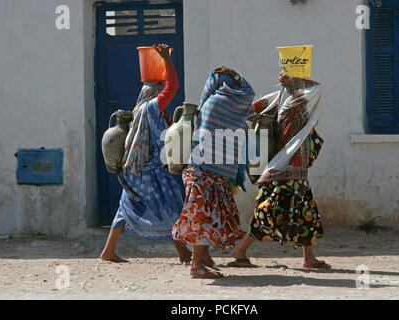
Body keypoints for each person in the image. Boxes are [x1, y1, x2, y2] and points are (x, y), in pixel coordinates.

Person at [100, 44, 191, 264]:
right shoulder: (151, 107)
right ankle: (183, 251)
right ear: (154, 92)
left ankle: (108, 251)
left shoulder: (138, 108)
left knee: (126, 208)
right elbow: (172, 86)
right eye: (159, 90)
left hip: (134, 170)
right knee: (173, 205)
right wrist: (167, 61)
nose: (163, 93)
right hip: (153, 171)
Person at [229, 71, 330, 269]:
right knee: (268, 212)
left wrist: (291, 82)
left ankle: (308, 258)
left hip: (295, 169)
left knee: (304, 210)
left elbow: (254, 109)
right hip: (282, 168)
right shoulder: (290, 102)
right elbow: (315, 89)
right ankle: (240, 250)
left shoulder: (283, 99)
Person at [172, 66, 255, 278]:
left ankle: (202, 260)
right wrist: (237, 75)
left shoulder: (209, 104)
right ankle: (196, 266)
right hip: (209, 173)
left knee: (206, 217)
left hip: (198, 169)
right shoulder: (235, 103)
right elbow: (248, 92)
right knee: (205, 219)